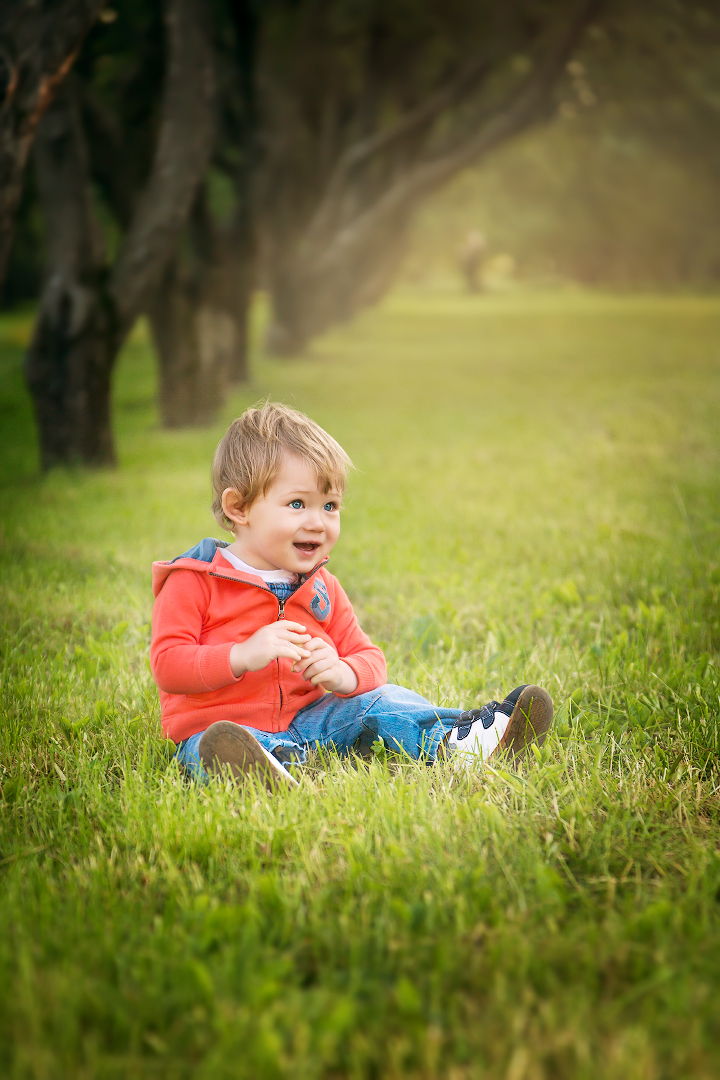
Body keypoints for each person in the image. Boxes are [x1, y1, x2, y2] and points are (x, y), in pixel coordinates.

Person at [150, 403, 553, 788]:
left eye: (330, 505)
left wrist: (343, 674)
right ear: (239, 508)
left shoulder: (320, 587)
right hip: (221, 726)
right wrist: (240, 655)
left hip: (311, 722)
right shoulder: (194, 581)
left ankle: (460, 743)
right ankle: (261, 768)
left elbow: (371, 660)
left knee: (384, 700)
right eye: (297, 504)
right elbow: (168, 665)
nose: (317, 521)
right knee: (211, 746)